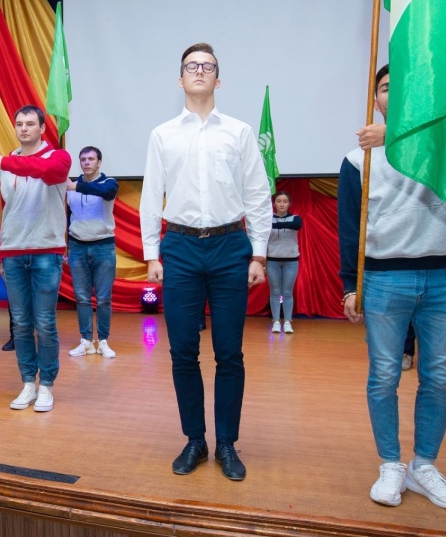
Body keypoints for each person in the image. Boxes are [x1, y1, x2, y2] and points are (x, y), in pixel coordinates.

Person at [339, 64, 446, 511]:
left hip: (443, 278)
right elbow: (349, 229)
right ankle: (391, 464)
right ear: (375, 99)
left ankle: (424, 466)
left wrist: (397, 134)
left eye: (403, 86)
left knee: (439, 378)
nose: (392, 93)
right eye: (384, 87)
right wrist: (349, 285)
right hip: (383, 278)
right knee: (384, 376)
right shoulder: (359, 158)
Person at [139, 43, 271, 481]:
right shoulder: (162, 135)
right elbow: (150, 197)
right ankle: (195, 439)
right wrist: (152, 254)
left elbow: (258, 195)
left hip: (230, 246)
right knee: (182, 351)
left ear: (219, 79)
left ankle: (227, 444)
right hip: (179, 247)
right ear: (180, 79)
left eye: (207, 66)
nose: (199, 71)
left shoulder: (239, 132)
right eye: (191, 66)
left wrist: (258, 252)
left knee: (230, 353)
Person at [0, 105, 71, 413]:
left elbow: (48, 173)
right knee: (21, 324)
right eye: (19, 123)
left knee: (45, 323)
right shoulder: (5, 163)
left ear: (42, 128)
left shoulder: (58, 157)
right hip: (13, 252)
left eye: (30, 123)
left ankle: (46, 385)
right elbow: (1, 211)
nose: (24, 128)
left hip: (46, 251)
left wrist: (6, 162)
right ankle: (27, 383)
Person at [66, 146, 119, 359]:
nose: (86, 163)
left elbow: (107, 193)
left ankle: (103, 341)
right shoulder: (70, 186)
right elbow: (66, 216)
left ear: (99, 163)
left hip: (103, 246)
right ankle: (86, 341)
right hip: (77, 246)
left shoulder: (109, 182)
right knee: (82, 297)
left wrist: (77, 186)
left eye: (91, 159)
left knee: (104, 298)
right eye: (83, 159)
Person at [267, 190, 302, 334]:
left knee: (287, 292)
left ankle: (287, 321)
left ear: (289, 204)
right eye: (279, 201)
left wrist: (275, 225)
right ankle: (276, 321)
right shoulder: (268, 219)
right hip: (272, 260)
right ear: (274, 204)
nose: (282, 204)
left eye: (285, 201)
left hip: (291, 261)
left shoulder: (295, 218)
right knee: (275, 292)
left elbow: (296, 225)